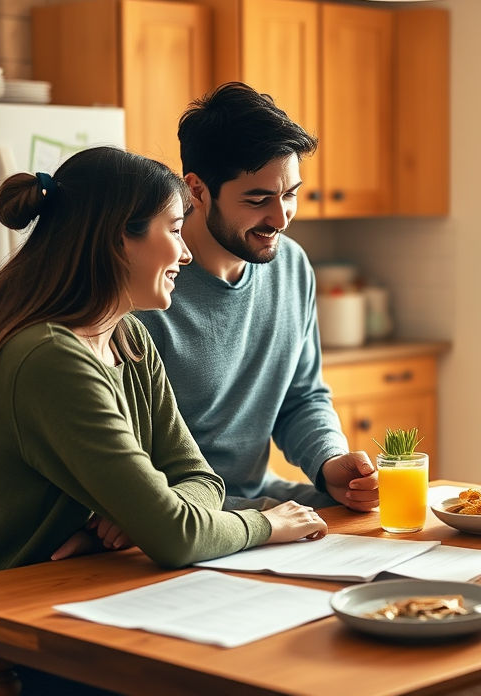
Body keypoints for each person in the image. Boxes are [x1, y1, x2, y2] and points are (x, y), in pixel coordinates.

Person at [0, 147, 328, 695]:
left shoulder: (127, 337)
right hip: (11, 646)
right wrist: (268, 524)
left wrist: (142, 520)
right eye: (174, 228)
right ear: (120, 237)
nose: (186, 253)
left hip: (88, 603)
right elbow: (177, 533)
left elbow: (201, 480)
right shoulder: (52, 358)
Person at [135, 83, 378, 512]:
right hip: (174, 515)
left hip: (251, 500)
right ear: (197, 189)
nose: (281, 217)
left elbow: (302, 396)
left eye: (290, 194)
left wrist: (329, 461)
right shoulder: (146, 289)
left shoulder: (293, 267)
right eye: (258, 199)